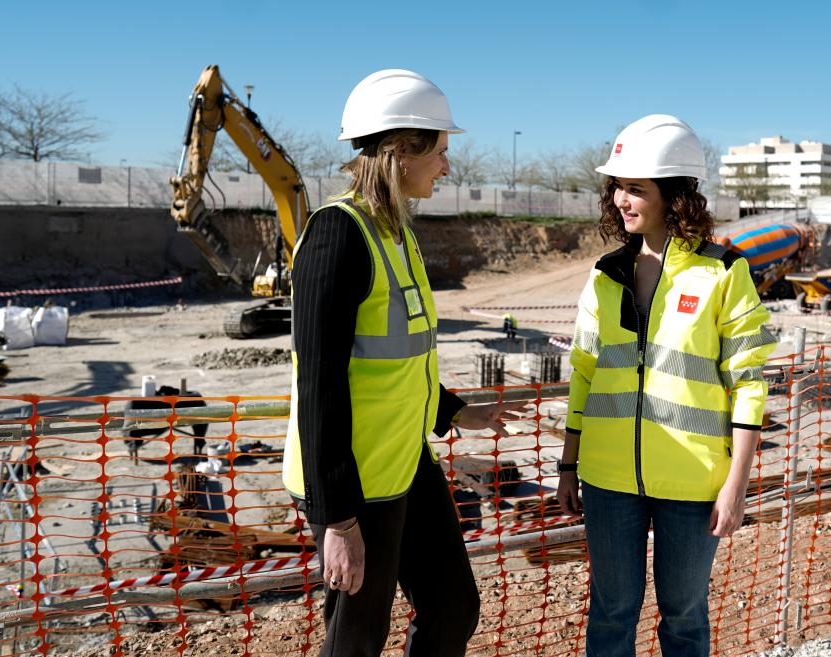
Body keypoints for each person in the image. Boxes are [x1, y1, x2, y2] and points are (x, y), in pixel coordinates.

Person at [282, 69, 527, 657]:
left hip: (403, 460)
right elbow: (319, 384)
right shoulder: (336, 236)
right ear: (398, 152)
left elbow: (396, 357)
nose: (447, 165)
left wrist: (453, 411)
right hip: (353, 480)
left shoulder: (396, 233)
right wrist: (337, 520)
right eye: (439, 151)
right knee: (356, 641)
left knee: (452, 608)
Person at [556, 115, 777, 657]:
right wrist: (568, 465)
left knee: (683, 616)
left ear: (673, 194)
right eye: (618, 187)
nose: (621, 198)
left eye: (637, 188)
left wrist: (736, 484)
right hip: (607, 479)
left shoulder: (723, 271)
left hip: (693, 483)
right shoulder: (604, 275)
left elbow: (749, 381)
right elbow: (584, 375)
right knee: (610, 614)